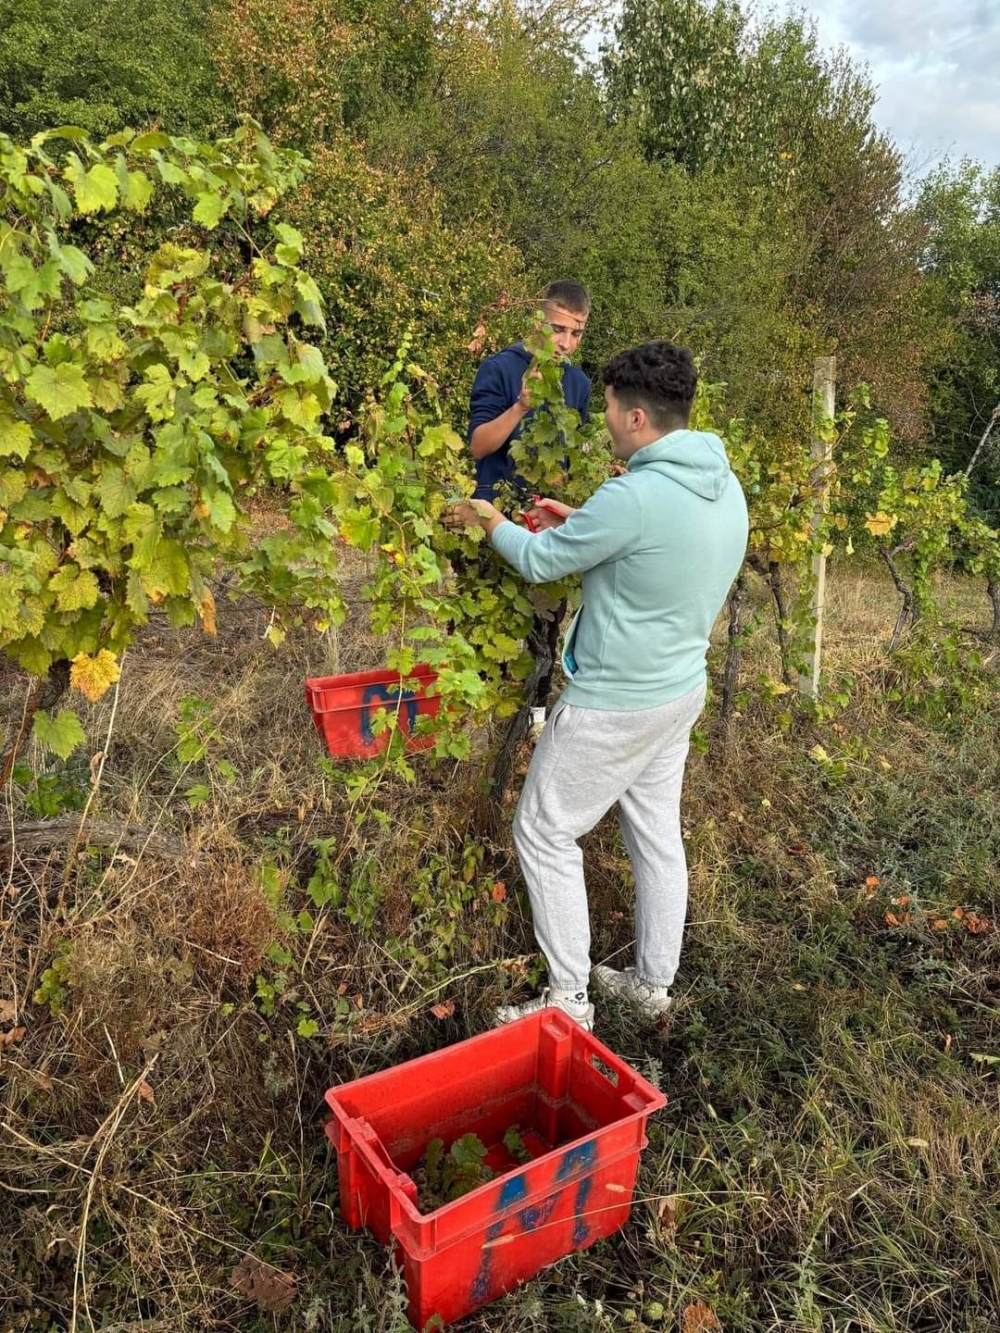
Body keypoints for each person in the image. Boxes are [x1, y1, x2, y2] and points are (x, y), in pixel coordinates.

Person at [454, 341, 749, 1029]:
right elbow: (654, 559)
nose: (605, 419)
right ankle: (651, 988)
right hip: (679, 689)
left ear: (638, 417)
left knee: (543, 831)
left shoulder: (633, 497)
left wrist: (491, 520)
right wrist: (582, 525)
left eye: (611, 408)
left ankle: (568, 1001)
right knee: (656, 837)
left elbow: (538, 562)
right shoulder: (724, 484)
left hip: (615, 703)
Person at [467, 281, 592, 734]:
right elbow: (479, 446)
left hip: (547, 522)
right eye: (558, 329)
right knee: (485, 624)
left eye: (576, 333)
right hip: (495, 518)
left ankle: (535, 718)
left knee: (545, 626)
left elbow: (571, 455)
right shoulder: (499, 368)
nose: (566, 343)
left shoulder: (578, 384)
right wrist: (521, 406)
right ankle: (478, 719)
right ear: (537, 321)